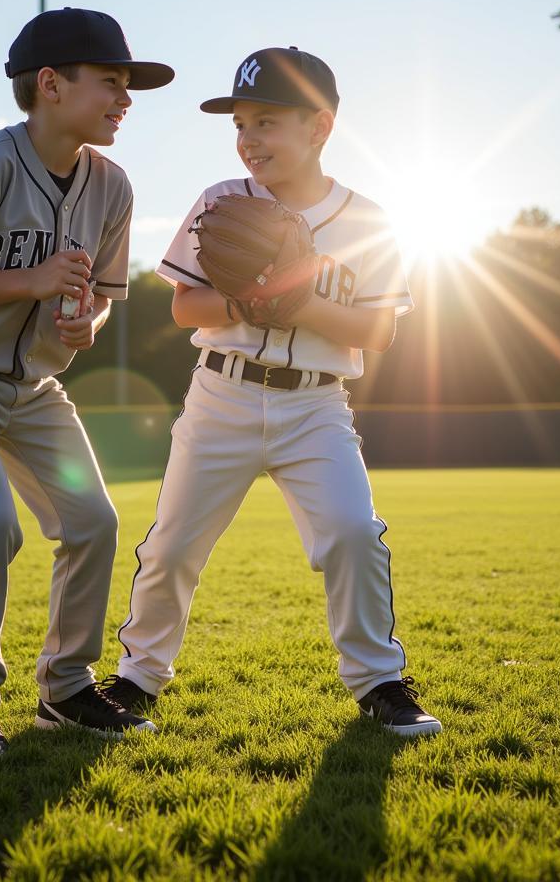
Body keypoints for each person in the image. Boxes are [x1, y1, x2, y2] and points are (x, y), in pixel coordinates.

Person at [104, 47, 442, 738]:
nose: (248, 138)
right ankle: (138, 677)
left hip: (315, 405)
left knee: (352, 534)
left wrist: (295, 302)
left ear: (319, 128)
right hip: (221, 397)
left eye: (266, 122)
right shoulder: (222, 202)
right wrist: (253, 300)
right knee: (171, 547)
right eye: (240, 125)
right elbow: (185, 309)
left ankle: (379, 680)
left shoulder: (368, 218)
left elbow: (376, 331)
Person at [0, 8, 174, 755]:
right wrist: (35, 279)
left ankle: (68, 688)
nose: (126, 97)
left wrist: (87, 326)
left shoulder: (112, 185)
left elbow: (102, 299)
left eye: (127, 84)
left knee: (94, 523)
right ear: (50, 84)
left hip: (35, 386)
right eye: (111, 81)